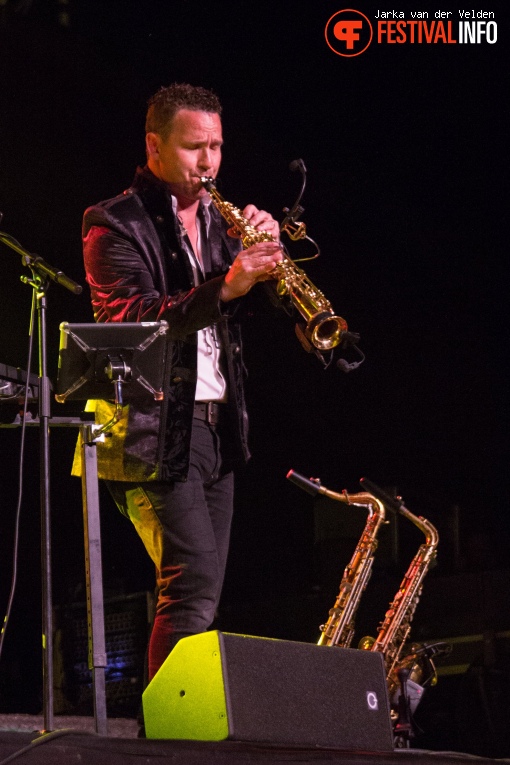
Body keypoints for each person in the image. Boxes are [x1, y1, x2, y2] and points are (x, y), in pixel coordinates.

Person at [74, 83, 283, 681]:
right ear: (155, 147)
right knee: (191, 584)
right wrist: (229, 283)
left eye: (217, 146)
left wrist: (263, 260)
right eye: (195, 147)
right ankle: (167, 732)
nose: (209, 162)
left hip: (215, 429)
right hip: (148, 429)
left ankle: (175, 718)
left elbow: (238, 317)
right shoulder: (113, 222)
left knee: (204, 591)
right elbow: (133, 322)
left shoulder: (221, 223)